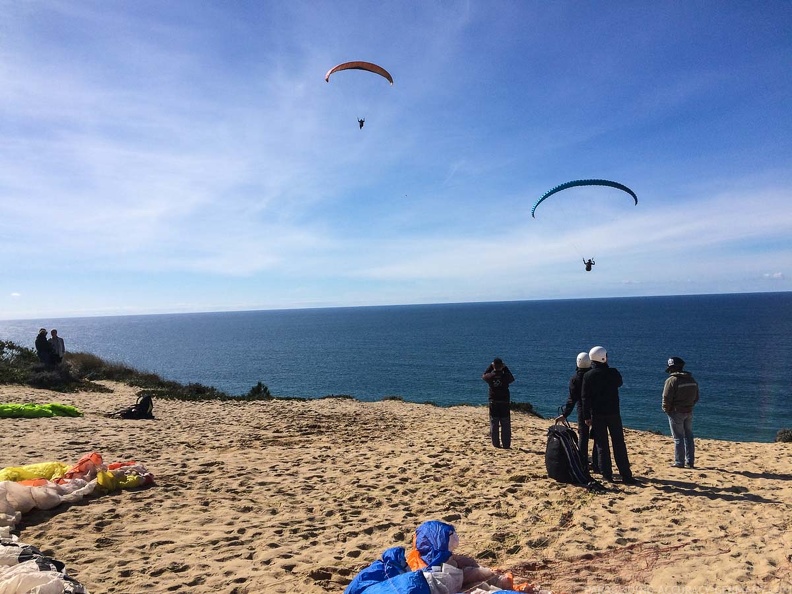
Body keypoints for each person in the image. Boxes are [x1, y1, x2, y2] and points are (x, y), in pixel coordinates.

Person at [581, 346, 636, 484]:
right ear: (604, 357)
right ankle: (626, 475)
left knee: (602, 445)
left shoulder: (588, 375)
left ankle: (607, 475)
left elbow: (585, 398)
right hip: (613, 413)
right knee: (619, 444)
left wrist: (586, 416)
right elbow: (619, 383)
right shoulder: (613, 373)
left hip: (597, 414)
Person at [555, 351, 600, 473]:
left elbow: (571, 399)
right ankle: (597, 464)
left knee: (583, 437)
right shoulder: (594, 376)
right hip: (595, 409)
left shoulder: (575, 379)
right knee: (597, 437)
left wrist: (565, 414)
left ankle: (582, 463)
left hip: (582, 410)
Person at [662, 356, 699, 468]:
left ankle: (679, 462)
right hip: (689, 411)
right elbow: (696, 397)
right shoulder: (692, 380)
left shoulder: (671, 380)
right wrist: (690, 405)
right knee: (689, 437)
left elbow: (666, 397)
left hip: (676, 412)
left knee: (678, 438)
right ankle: (690, 461)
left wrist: (666, 410)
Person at [482, 357, 515, 449]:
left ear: (494, 366)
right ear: (501, 366)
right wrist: (505, 368)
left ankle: (496, 444)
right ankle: (506, 444)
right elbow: (512, 378)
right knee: (505, 424)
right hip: (504, 402)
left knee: (494, 423)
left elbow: (484, 375)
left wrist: (491, 367)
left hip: (494, 402)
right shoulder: (505, 376)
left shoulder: (490, 376)